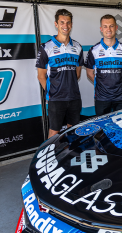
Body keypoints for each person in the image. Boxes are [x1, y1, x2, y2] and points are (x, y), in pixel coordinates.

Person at [36, 9, 83, 138]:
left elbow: (77, 74)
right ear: (56, 24)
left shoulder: (78, 47)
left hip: (74, 97)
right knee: (54, 132)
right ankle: (50, 156)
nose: (65, 26)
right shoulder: (46, 47)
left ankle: (71, 154)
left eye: (68, 22)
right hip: (56, 99)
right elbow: (41, 76)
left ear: (71, 24)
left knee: (73, 130)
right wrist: (53, 92)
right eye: (62, 22)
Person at [84, 14, 122, 116]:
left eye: (111, 26)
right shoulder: (94, 50)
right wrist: (100, 85)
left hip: (121, 97)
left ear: (116, 28)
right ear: (101, 29)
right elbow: (89, 73)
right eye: (105, 26)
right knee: (103, 127)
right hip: (102, 98)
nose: (108, 29)